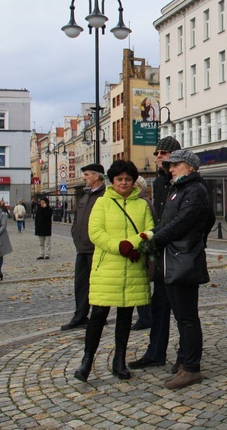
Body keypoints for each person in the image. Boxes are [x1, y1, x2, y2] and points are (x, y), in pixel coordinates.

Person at [73, 160, 154, 383]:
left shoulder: (142, 204)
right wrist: (121, 246)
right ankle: (87, 361)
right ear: (112, 181)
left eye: (128, 179)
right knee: (98, 315)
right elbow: (96, 233)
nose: (124, 183)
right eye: (119, 179)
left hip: (132, 268)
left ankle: (119, 360)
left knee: (125, 316)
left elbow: (150, 230)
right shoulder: (102, 203)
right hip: (107, 268)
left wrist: (134, 243)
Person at [144, 149, 213, 390]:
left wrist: (154, 239)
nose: (170, 169)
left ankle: (192, 368)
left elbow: (182, 222)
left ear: (190, 167)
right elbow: (166, 222)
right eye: (169, 165)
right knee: (181, 317)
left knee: (187, 317)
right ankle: (185, 362)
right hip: (172, 259)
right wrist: (154, 234)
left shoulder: (195, 190)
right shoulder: (178, 189)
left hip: (183, 260)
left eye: (176, 165)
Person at [128, 135, 183, 372]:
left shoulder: (184, 182)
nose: (159, 156)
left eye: (164, 152)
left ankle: (186, 356)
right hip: (161, 253)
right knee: (159, 307)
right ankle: (155, 352)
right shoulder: (159, 183)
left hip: (179, 255)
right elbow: (159, 218)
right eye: (157, 153)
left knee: (183, 311)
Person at [61, 164, 106, 331]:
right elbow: (76, 221)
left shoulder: (105, 197)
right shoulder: (85, 197)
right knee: (81, 285)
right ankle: (80, 315)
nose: (84, 178)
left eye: (86, 174)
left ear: (96, 176)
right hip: (82, 249)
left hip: (96, 249)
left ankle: (98, 316)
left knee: (98, 285)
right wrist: (75, 235)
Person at [132, 175, 154, 331]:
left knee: (141, 284)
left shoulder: (143, 203)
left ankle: (146, 317)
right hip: (142, 249)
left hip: (143, 250)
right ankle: (145, 316)